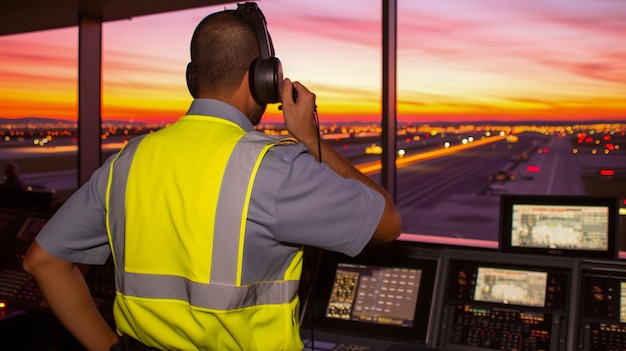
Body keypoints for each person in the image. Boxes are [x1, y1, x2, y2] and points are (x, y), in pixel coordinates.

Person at [22, 3, 401, 351]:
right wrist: (307, 136)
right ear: (262, 79)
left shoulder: (127, 161)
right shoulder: (274, 168)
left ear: (193, 78)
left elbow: (43, 261)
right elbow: (387, 222)